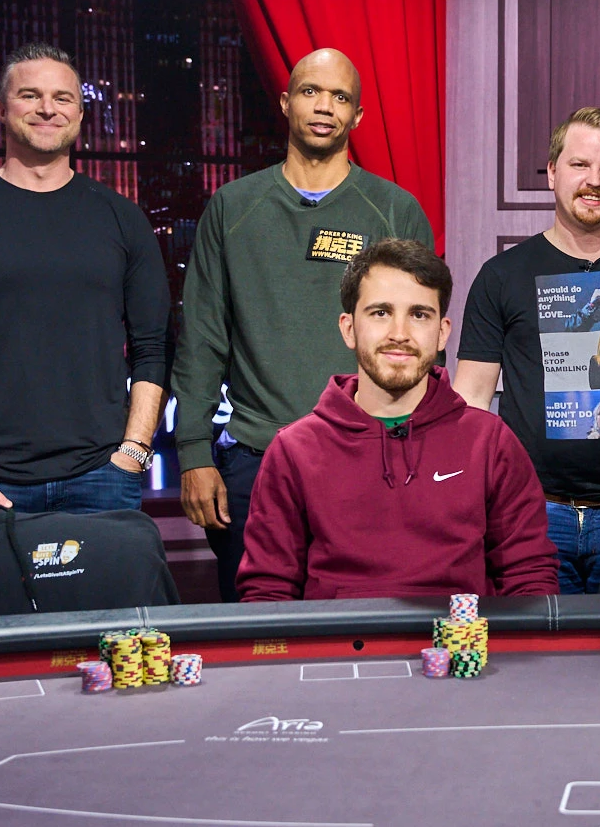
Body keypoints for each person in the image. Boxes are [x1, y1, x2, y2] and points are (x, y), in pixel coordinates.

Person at [173, 48, 434, 601]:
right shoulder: (233, 207)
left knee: (366, 627)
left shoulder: (394, 210)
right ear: (285, 102)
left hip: (368, 457)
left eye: (340, 97)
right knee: (257, 632)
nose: (324, 106)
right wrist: (193, 452)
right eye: (311, 92)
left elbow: (415, 344)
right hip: (255, 458)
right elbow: (202, 338)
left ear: (357, 116)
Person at [0, 42, 169, 514]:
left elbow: (154, 347)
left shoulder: (123, 220)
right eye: (30, 95)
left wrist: (134, 453)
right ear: (0, 110)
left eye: (62, 98)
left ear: (79, 114)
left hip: (102, 478)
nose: (47, 108)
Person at [237, 240, 558, 601]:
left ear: (442, 332)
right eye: (380, 313)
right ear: (348, 328)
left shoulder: (490, 441)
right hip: (338, 637)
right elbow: (268, 591)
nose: (400, 334)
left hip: (458, 634)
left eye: (419, 315)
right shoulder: (294, 449)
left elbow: (528, 577)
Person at [454, 107, 600, 594]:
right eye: (579, 165)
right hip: (531, 511)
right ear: (552, 172)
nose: (594, 181)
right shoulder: (501, 276)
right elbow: (470, 402)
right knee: (538, 643)